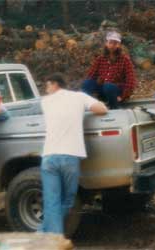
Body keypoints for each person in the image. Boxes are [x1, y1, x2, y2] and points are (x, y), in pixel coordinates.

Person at [39, 73, 108, 234]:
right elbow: (102, 109)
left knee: (52, 201)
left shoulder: (45, 102)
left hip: (48, 157)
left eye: (47, 86)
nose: (46, 90)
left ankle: (45, 233)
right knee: (68, 200)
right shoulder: (79, 97)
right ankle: (50, 237)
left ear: (54, 84)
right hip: (70, 156)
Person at [82, 31, 137, 109]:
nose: (112, 45)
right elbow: (91, 76)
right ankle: (87, 107)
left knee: (108, 86)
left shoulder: (125, 60)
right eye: (110, 42)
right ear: (106, 44)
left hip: (116, 91)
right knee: (87, 83)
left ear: (119, 45)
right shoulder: (100, 59)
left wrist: (123, 96)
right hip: (103, 89)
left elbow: (130, 82)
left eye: (115, 43)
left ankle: (114, 107)